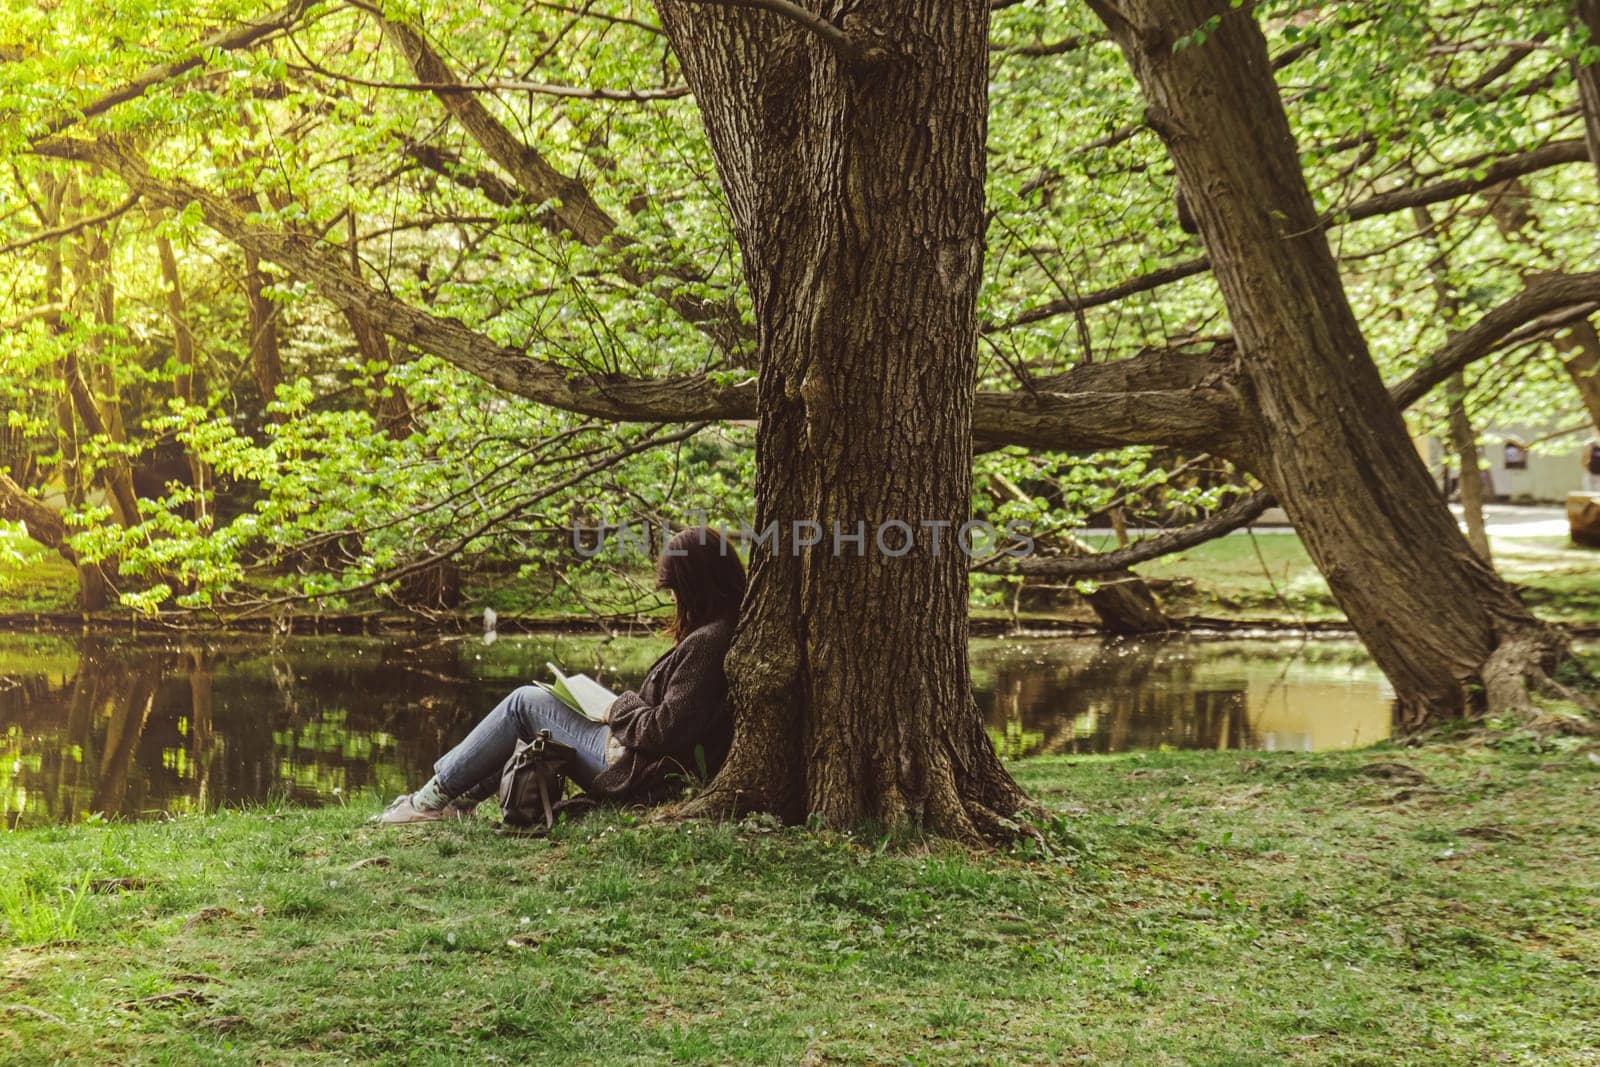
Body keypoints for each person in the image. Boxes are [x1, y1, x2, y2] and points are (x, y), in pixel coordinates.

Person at [375, 526, 745, 824]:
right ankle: (453, 800)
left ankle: (428, 801)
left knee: (523, 704)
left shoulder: (708, 643)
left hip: (632, 767)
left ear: (696, 585)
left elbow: (667, 730)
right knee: (529, 715)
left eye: (675, 590)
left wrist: (619, 707)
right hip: (631, 755)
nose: (673, 601)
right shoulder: (716, 632)